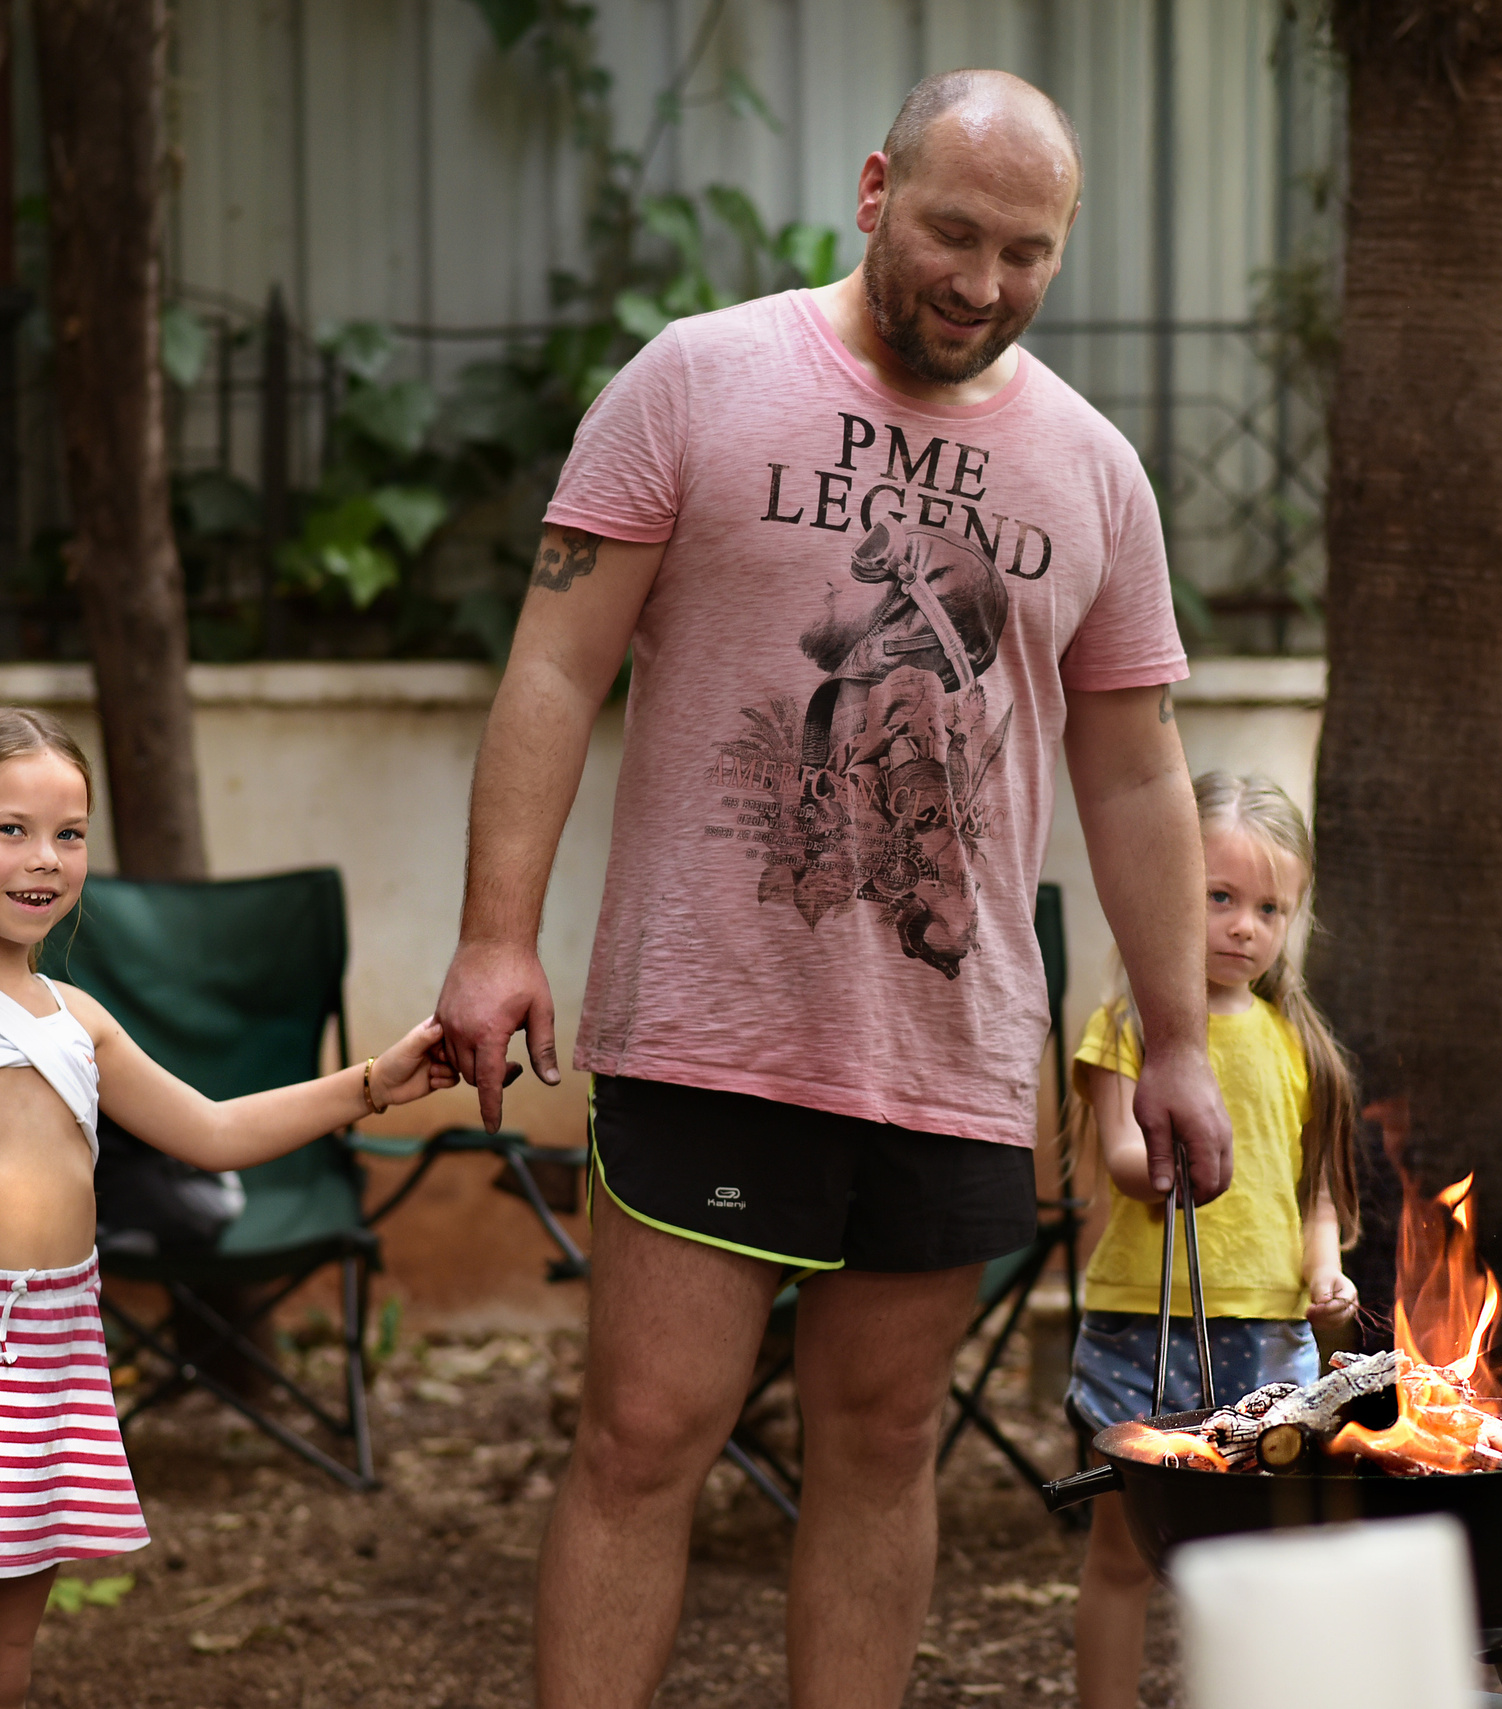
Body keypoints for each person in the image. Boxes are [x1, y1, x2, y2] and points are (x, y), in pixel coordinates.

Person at [433, 66, 1233, 1709]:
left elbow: (1137, 767)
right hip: (706, 1019)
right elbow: (551, 666)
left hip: (948, 1046)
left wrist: (1176, 1036)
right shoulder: (698, 381)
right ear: (875, 191)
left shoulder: (1090, 469)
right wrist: (496, 937)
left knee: (880, 1442)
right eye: (953, 230)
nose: (982, 280)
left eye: (1026, 252)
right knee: (649, 1433)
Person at [0, 706, 455, 1709]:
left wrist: (372, 1084)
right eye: (10, 829)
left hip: (52, 1354)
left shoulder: (77, 1018)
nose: (45, 857)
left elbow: (211, 1130)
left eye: (69, 832)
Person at [1065, 772, 1361, 1709]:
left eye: (1271, 907)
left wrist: (1327, 1271)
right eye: (1219, 897)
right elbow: (1117, 1147)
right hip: (1144, 1325)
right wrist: (1159, 1163)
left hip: (1270, 1336)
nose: (1245, 926)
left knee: (1259, 1551)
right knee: (1126, 1548)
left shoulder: (1297, 1045)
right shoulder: (1126, 1027)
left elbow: (1313, 1196)